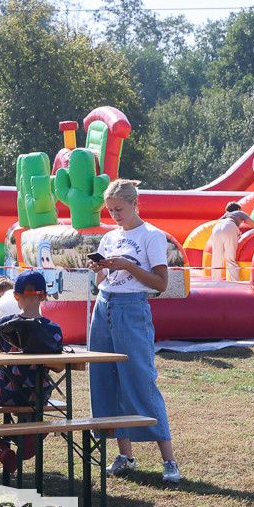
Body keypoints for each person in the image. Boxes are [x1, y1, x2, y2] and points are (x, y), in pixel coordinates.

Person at [88, 179, 180, 483]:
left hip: (132, 308)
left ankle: (169, 460)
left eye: (119, 209)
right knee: (104, 378)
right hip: (104, 306)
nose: (114, 215)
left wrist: (127, 265)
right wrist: (99, 269)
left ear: (134, 204)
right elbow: (103, 281)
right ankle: (125, 455)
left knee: (141, 378)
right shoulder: (109, 236)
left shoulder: (152, 235)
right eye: (110, 210)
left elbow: (160, 284)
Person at [0, 269, 63, 472]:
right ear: (44, 296)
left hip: (7, 391)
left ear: (15, 296)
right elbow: (59, 368)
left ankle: (0, 447)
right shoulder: (53, 328)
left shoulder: (4, 324)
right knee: (28, 409)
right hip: (38, 393)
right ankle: (29, 434)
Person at [210, 202, 254, 281]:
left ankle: (215, 281)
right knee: (230, 258)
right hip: (229, 226)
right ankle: (234, 282)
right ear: (238, 209)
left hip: (216, 228)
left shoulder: (225, 216)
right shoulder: (239, 212)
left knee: (216, 258)